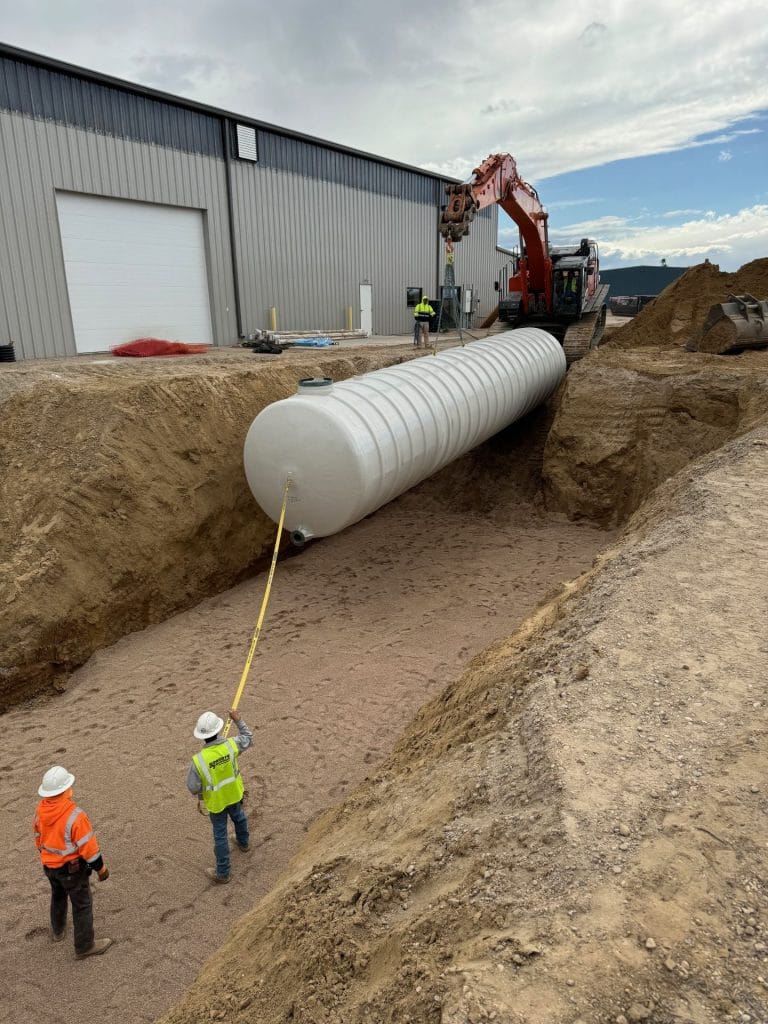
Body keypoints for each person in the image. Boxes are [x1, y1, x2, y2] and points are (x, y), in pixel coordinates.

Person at [33, 766, 112, 959]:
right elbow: (90, 849)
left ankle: (58, 930)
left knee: (58, 895)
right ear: (66, 790)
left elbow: (38, 837)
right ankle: (84, 946)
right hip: (72, 869)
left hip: (50, 866)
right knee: (82, 904)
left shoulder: (40, 812)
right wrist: (101, 869)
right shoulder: (75, 815)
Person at [187, 708, 253, 884]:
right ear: (218, 729)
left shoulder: (198, 760)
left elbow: (193, 787)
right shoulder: (231, 745)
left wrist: (202, 793)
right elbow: (248, 738)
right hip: (234, 794)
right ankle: (244, 842)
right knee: (239, 817)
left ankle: (223, 873)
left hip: (216, 802)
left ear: (201, 736)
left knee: (220, 835)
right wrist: (238, 720)